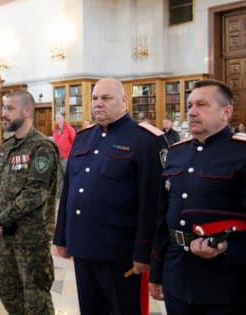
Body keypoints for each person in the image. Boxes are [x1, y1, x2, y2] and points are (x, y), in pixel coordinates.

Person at [53, 78, 168, 315]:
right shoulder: (84, 137)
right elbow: (69, 191)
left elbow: (152, 202)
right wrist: (62, 236)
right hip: (84, 245)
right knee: (91, 309)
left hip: (121, 250)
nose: (98, 104)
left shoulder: (145, 139)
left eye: (106, 98)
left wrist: (144, 252)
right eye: (95, 98)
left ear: (124, 101)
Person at [149, 79, 246, 314]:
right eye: (190, 105)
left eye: (202, 105)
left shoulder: (241, 153)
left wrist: (227, 250)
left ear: (226, 113)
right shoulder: (176, 153)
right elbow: (162, 218)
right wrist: (157, 271)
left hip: (225, 281)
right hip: (177, 274)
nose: (192, 111)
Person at [0, 91, 59, 315]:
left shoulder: (41, 147)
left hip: (31, 238)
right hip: (6, 236)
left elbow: (35, 193)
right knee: (8, 293)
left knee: (36, 298)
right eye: (3, 108)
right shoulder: (5, 147)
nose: (4, 114)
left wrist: (0, 218)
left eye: (9, 109)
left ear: (26, 111)